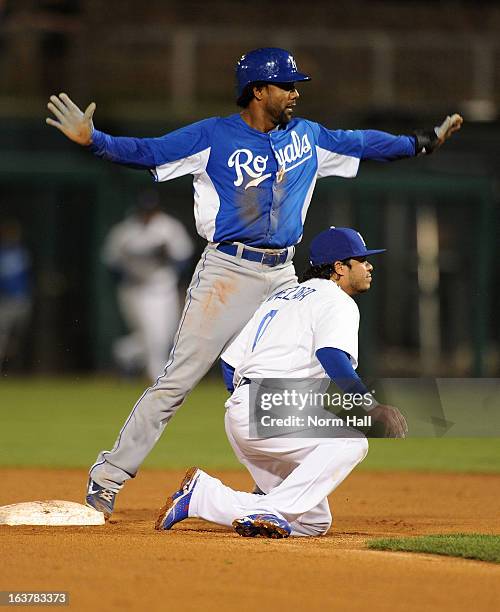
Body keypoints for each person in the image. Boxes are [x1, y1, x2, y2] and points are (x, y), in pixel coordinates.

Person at [45, 47, 460, 517]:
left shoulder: (308, 137)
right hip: (227, 272)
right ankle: (108, 477)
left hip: (283, 272)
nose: (295, 93)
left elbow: (363, 142)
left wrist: (419, 142)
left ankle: (272, 484)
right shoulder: (213, 136)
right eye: (286, 85)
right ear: (257, 91)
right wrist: (94, 141)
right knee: (175, 382)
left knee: (285, 377)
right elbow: (149, 152)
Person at [154, 227, 407, 538]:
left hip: (242, 414)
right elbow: (331, 355)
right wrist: (370, 406)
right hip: (268, 411)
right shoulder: (337, 301)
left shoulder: (282, 298)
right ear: (340, 268)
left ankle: (205, 498)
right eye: (362, 261)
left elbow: (230, 364)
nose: (369, 267)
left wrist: (247, 412)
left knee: (311, 523)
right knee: (351, 440)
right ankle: (246, 503)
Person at [102, 191, 194, 381]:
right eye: (144, 209)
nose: (147, 213)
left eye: (151, 209)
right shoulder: (125, 232)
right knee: (155, 338)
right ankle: (158, 380)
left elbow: (183, 258)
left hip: (163, 286)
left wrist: (171, 268)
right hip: (135, 290)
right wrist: (128, 279)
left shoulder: (168, 227)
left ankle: (125, 353)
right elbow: (111, 263)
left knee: (165, 336)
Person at [0, 219, 32, 372]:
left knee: (18, 338)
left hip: (22, 300)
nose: (13, 237)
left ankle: (18, 369)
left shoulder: (22, 252)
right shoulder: (1, 253)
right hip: (4, 301)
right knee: (2, 337)